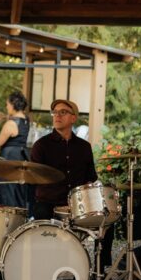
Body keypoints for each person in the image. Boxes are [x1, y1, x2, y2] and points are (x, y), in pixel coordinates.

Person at [29, 99, 112, 270]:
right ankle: (44, 268)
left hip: (77, 206)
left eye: (63, 112)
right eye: (55, 112)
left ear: (73, 118)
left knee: (107, 220)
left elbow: (90, 178)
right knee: (41, 212)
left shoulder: (84, 147)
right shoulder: (41, 146)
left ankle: (99, 272)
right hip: (50, 204)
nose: (57, 116)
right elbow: (34, 178)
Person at [0, 91, 32, 210]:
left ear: (13, 104)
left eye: (7, 104)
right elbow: (17, 120)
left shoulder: (11, 124)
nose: (6, 107)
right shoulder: (26, 120)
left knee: (7, 191)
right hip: (21, 158)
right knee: (18, 190)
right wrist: (4, 117)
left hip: (9, 158)